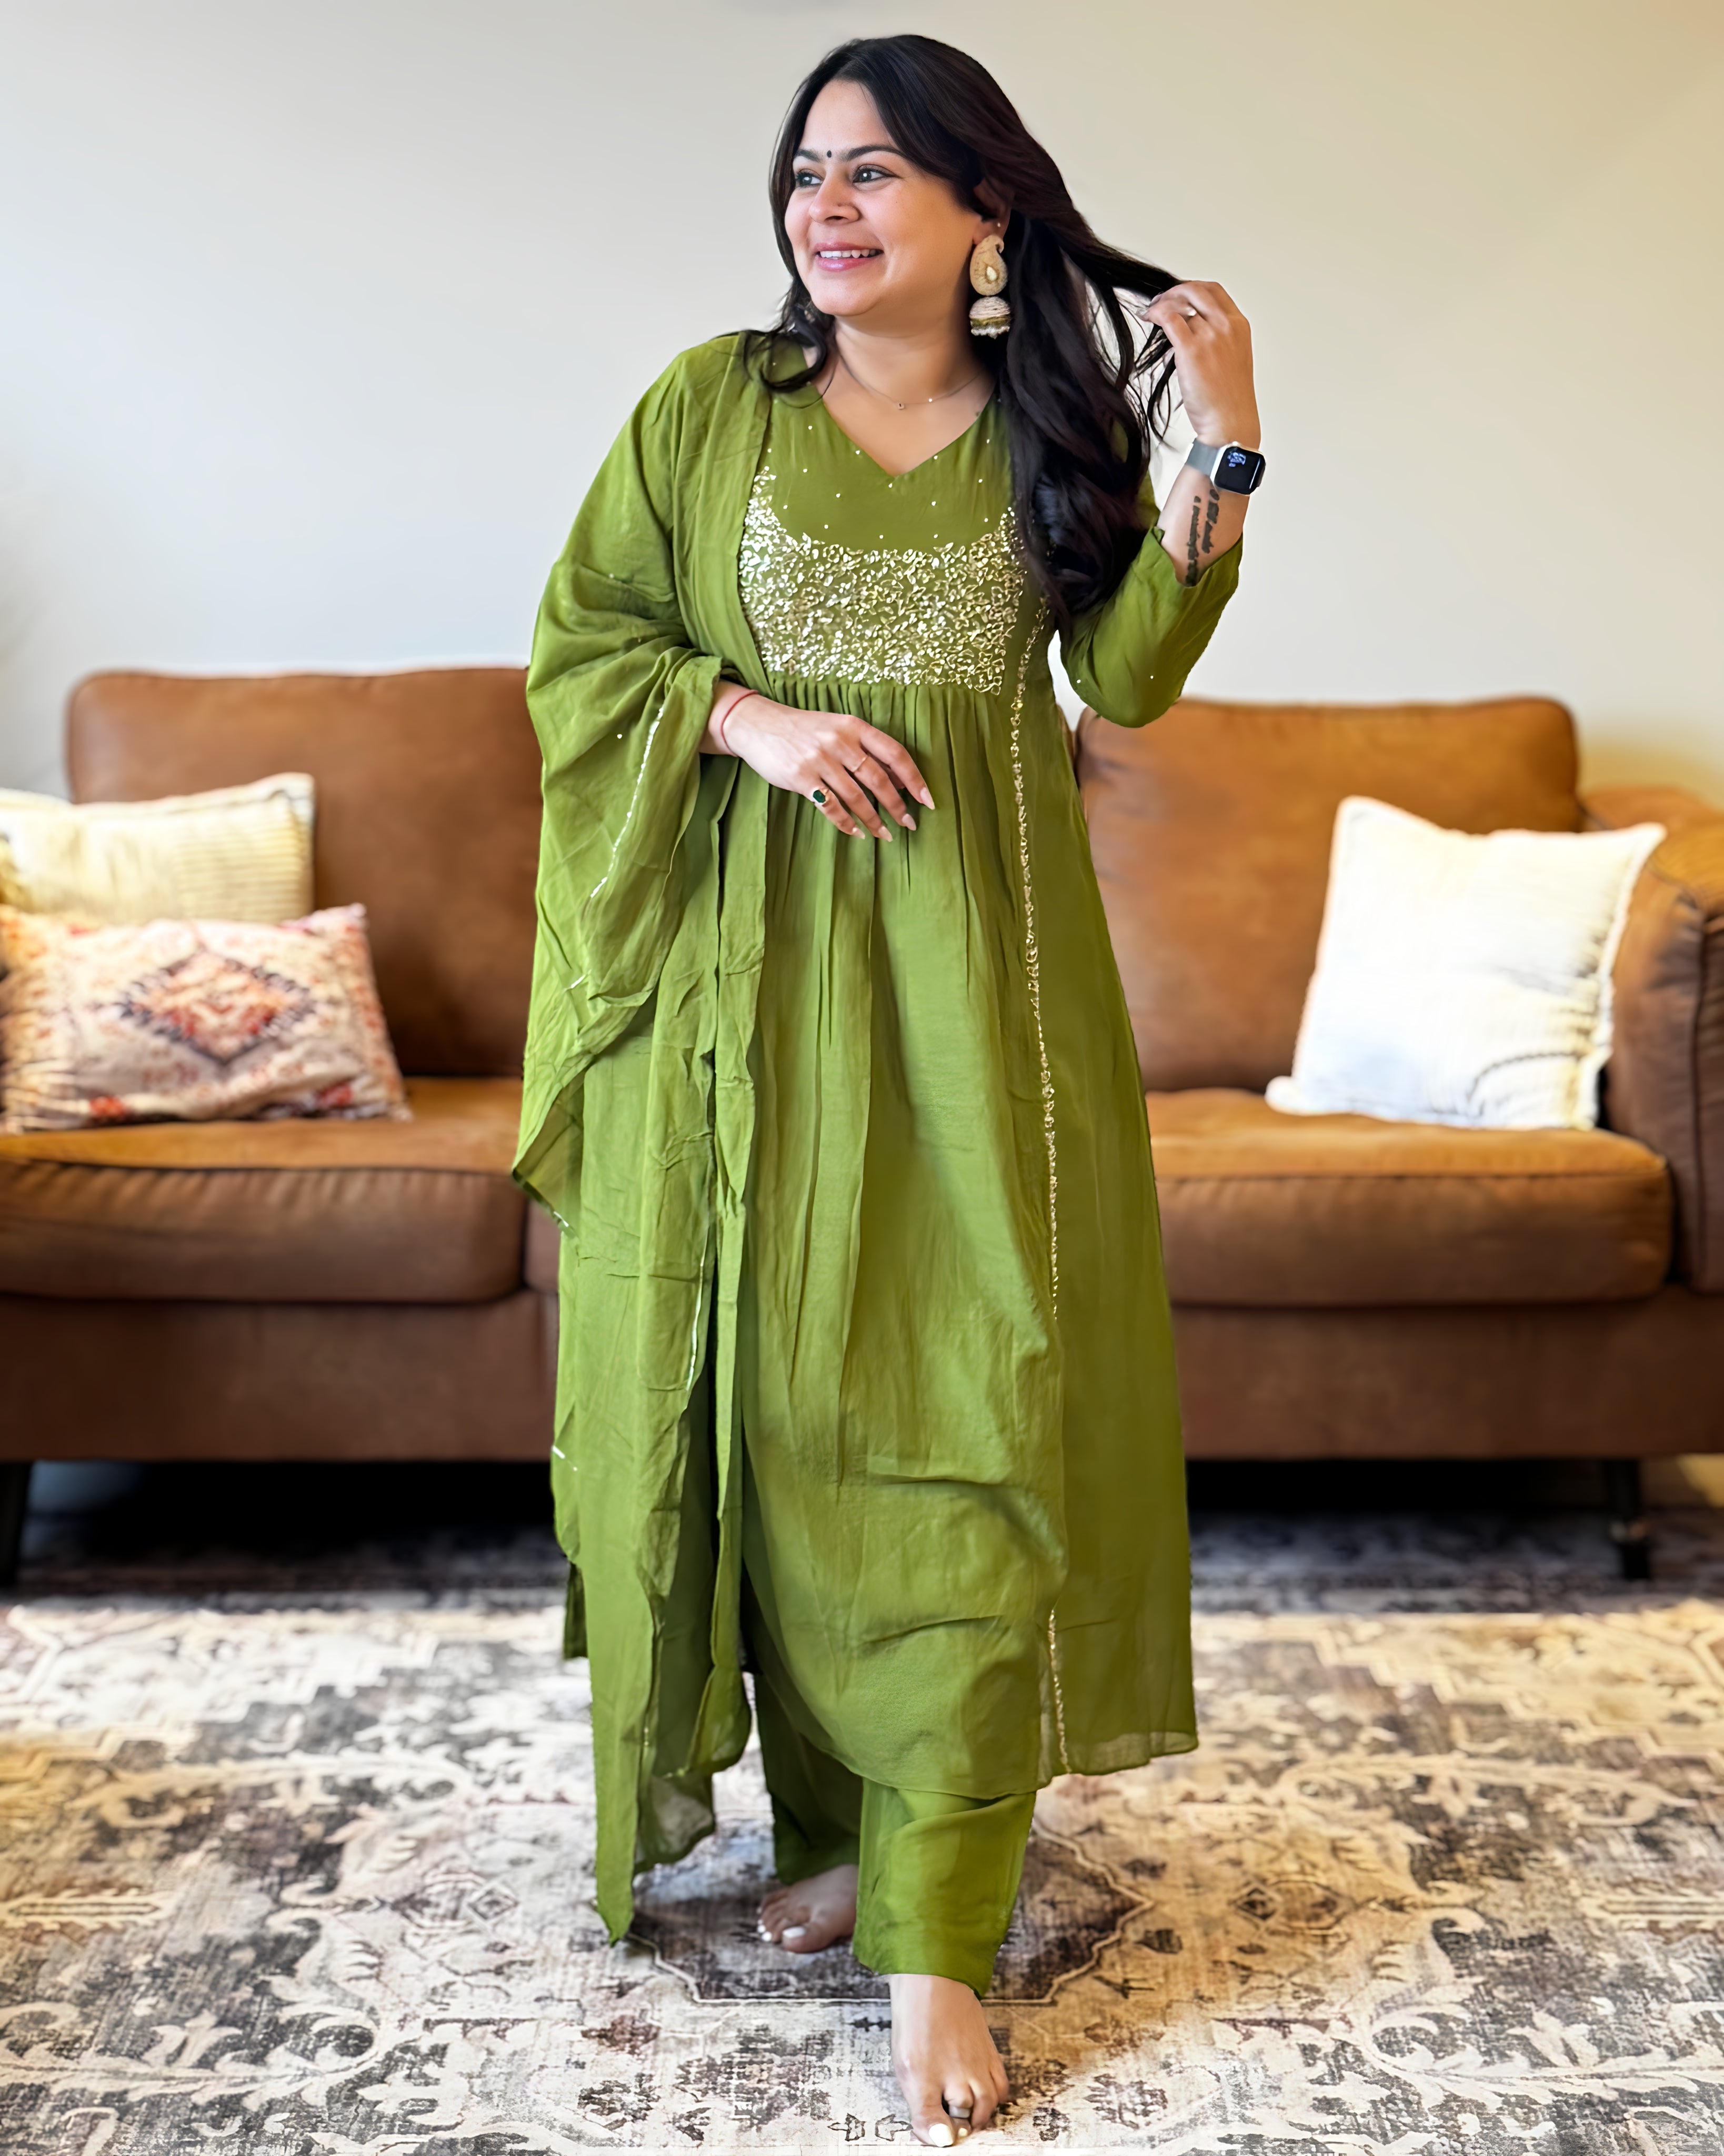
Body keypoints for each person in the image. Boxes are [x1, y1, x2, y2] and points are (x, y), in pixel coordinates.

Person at [516, 32, 1259, 2145]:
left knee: (972, 1414)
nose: (824, 207)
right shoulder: (707, 412)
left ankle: (937, 1917)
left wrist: (1223, 454)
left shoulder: (1054, 424)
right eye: (803, 172)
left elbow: (1119, 673)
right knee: (786, 1413)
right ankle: (850, 1830)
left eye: (874, 174)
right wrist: (743, 720)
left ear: (984, 212)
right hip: (746, 1000)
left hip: (980, 1010)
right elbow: (584, 649)